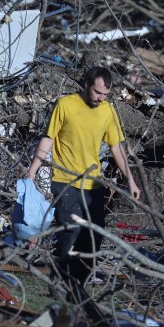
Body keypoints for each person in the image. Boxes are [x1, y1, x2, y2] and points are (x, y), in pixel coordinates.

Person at [25, 66, 140, 297]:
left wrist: (131, 180)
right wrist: (32, 171)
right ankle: (59, 285)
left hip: (93, 184)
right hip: (65, 181)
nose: (101, 98)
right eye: (97, 92)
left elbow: (116, 147)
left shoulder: (107, 111)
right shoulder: (65, 105)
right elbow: (48, 139)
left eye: (105, 94)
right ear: (86, 85)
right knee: (70, 235)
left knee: (94, 239)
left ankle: (77, 285)